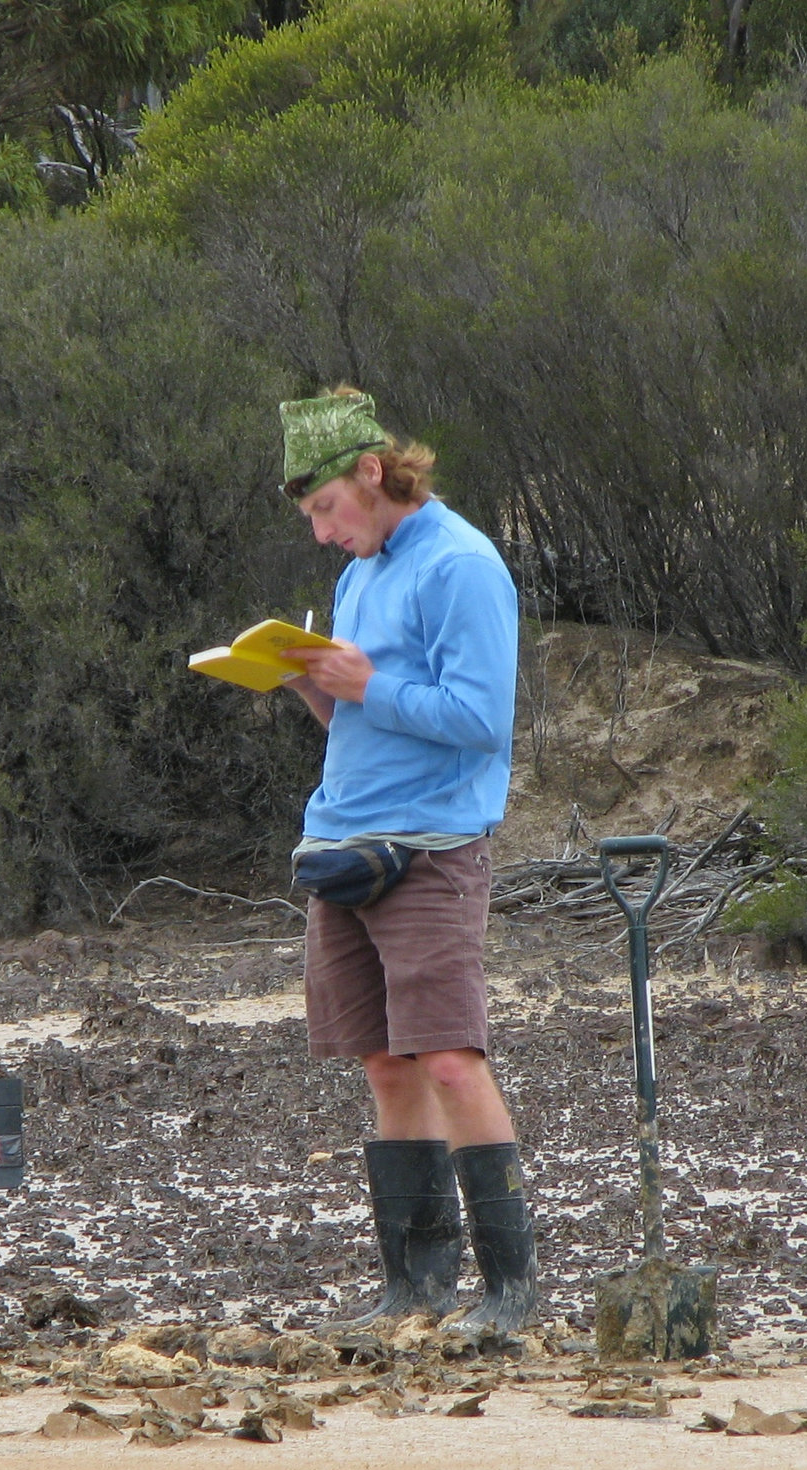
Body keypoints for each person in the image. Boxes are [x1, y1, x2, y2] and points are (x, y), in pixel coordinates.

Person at [269, 388, 538, 1337]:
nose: (322, 534)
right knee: (384, 1064)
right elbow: (357, 720)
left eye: (327, 510)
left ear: (372, 475)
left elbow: (480, 722)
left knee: (453, 1060)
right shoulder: (359, 573)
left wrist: (369, 683)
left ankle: (511, 1292)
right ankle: (414, 1287)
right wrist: (314, 683)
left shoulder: (461, 564)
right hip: (342, 843)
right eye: (309, 518)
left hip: (430, 847)